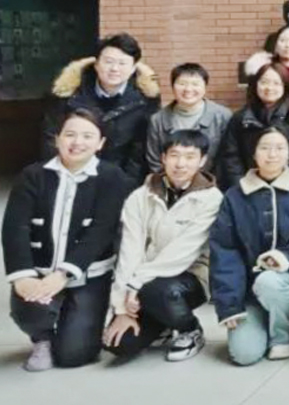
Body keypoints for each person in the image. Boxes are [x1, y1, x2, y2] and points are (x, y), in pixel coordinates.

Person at [4, 109, 128, 371]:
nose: (77, 142)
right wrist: (23, 276)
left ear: (101, 143)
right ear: (57, 138)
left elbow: (101, 231)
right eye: (70, 134)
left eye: (87, 136)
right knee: (29, 308)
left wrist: (63, 274)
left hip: (89, 274)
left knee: (74, 355)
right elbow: (15, 228)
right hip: (39, 271)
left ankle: (80, 325)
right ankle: (42, 339)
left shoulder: (111, 176)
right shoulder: (33, 175)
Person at [103, 129, 223, 362]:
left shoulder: (212, 199)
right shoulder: (140, 197)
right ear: (163, 158)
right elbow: (130, 250)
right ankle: (165, 323)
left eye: (190, 157)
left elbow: (183, 252)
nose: (181, 164)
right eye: (174, 155)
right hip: (143, 281)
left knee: (159, 291)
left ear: (202, 161)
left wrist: (137, 283)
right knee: (120, 344)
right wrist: (121, 307)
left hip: (190, 276)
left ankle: (189, 329)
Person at [209, 126, 289, 365]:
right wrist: (229, 304)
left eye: (280, 148)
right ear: (254, 153)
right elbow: (225, 251)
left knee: (269, 282)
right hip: (249, 286)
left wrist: (286, 257)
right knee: (244, 354)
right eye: (265, 148)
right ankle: (262, 320)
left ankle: (282, 336)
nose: (272, 154)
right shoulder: (234, 196)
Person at [42, 32, 161, 185]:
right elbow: (51, 140)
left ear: (133, 68)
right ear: (96, 64)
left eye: (122, 63)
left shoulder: (145, 99)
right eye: (108, 61)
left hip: (119, 179)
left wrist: (126, 185)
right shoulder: (67, 94)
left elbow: (139, 152)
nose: (114, 68)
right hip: (72, 175)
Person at [217, 62, 289, 189]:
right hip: (247, 188)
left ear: (285, 87)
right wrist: (241, 188)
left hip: (286, 188)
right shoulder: (240, 119)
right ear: (255, 85)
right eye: (264, 82)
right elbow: (231, 157)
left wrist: (286, 187)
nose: (269, 88)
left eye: (276, 83)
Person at [146, 63, 232, 174]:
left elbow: (228, 158)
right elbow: (154, 161)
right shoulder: (158, 120)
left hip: (213, 181)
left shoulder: (222, 116)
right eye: (182, 84)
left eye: (195, 84)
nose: (188, 89)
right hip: (170, 182)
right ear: (172, 86)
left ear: (205, 87)